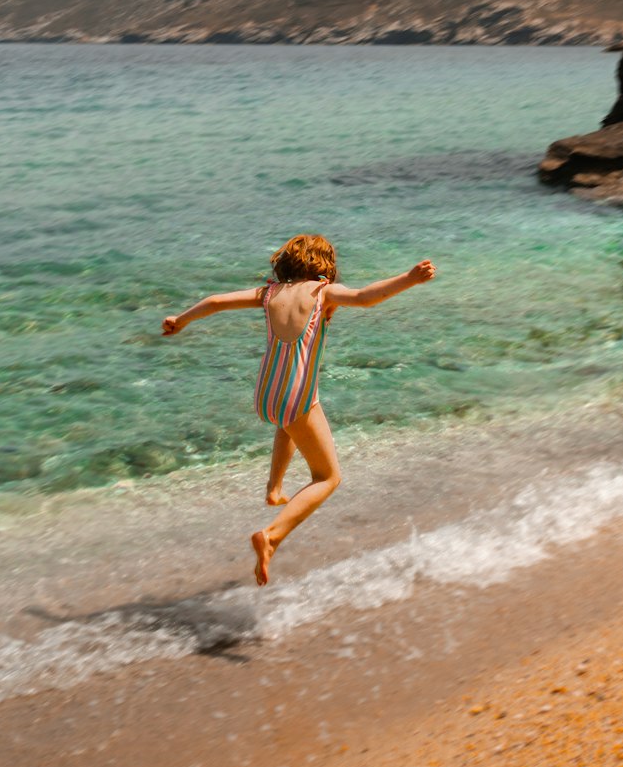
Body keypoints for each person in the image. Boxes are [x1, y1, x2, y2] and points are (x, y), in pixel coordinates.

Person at [161, 234, 436, 586]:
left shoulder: (268, 294)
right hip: (296, 395)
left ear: (286, 264)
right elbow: (366, 297)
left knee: (288, 423)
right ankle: (272, 536)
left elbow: (215, 301)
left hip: (266, 394)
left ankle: (274, 488)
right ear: (324, 266)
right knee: (328, 477)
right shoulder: (322, 293)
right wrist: (409, 279)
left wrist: (180, 320)